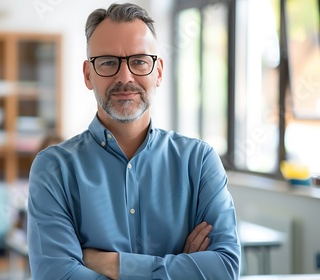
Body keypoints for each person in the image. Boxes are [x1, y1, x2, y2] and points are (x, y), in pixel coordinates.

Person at [27, 3, 240, 279]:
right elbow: (57, 276)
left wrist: (114, 264)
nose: (124, 77)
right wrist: (180, 266)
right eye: (107, 62)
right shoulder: (53, 169)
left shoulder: (199, 162)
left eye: (139, 61)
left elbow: (225, 269)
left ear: (159, 72)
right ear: (88, 75)